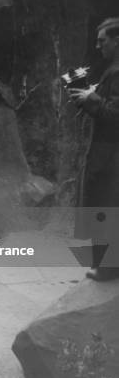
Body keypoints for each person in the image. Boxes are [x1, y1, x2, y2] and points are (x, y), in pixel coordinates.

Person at [70, 17, 119, 281]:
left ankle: (108, 268)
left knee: (105, 208)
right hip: (109, 153)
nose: (99, 46)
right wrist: (90, 99)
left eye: (103, 41)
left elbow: (115, 113)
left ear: (117, 40)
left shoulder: (118, 71)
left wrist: (92, 98)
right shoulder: (113, 69)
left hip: (111, 156)